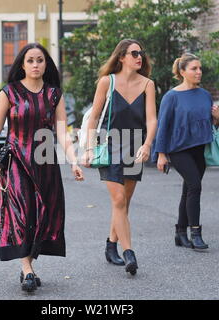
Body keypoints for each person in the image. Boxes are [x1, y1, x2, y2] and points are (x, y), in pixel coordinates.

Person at [0, 43, 84, 292]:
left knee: (42, 214)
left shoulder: (53, 94)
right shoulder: (10, 92)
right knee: (22, 212)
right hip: (17, 161)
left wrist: (73, 160)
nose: (35, 65)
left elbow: (61, 130)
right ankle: (27, 270)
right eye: (30, 60)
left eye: (40, 60)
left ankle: (29, 264)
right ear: (22, 65)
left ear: (46, 64)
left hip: (46, 161)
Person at [81, 39, 157, 276]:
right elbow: (93, 118)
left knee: (125, 202)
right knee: (119, 200)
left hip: (135, 146)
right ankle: (129, 253)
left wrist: (147, 144)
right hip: (111, 143)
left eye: (141, 53)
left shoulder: (148, 84)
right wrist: (90, 148)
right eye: (134, 53)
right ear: (121, 57)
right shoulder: (107, 82)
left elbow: (152, 120)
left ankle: (111, 244)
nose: (139, 57)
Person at [151, 53, 219, 250]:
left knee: (189, 190)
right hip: (178, 149)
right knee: (195, 186)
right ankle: (196, 232)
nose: (199, 72)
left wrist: (217, 118)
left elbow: (208, 125)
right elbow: (163, 126)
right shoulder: (171, 97)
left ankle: (180, 233)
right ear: (182, 72)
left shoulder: (205, 95)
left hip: (199, 149)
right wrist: (161, 154)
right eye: (194, 69)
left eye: (200, 68)